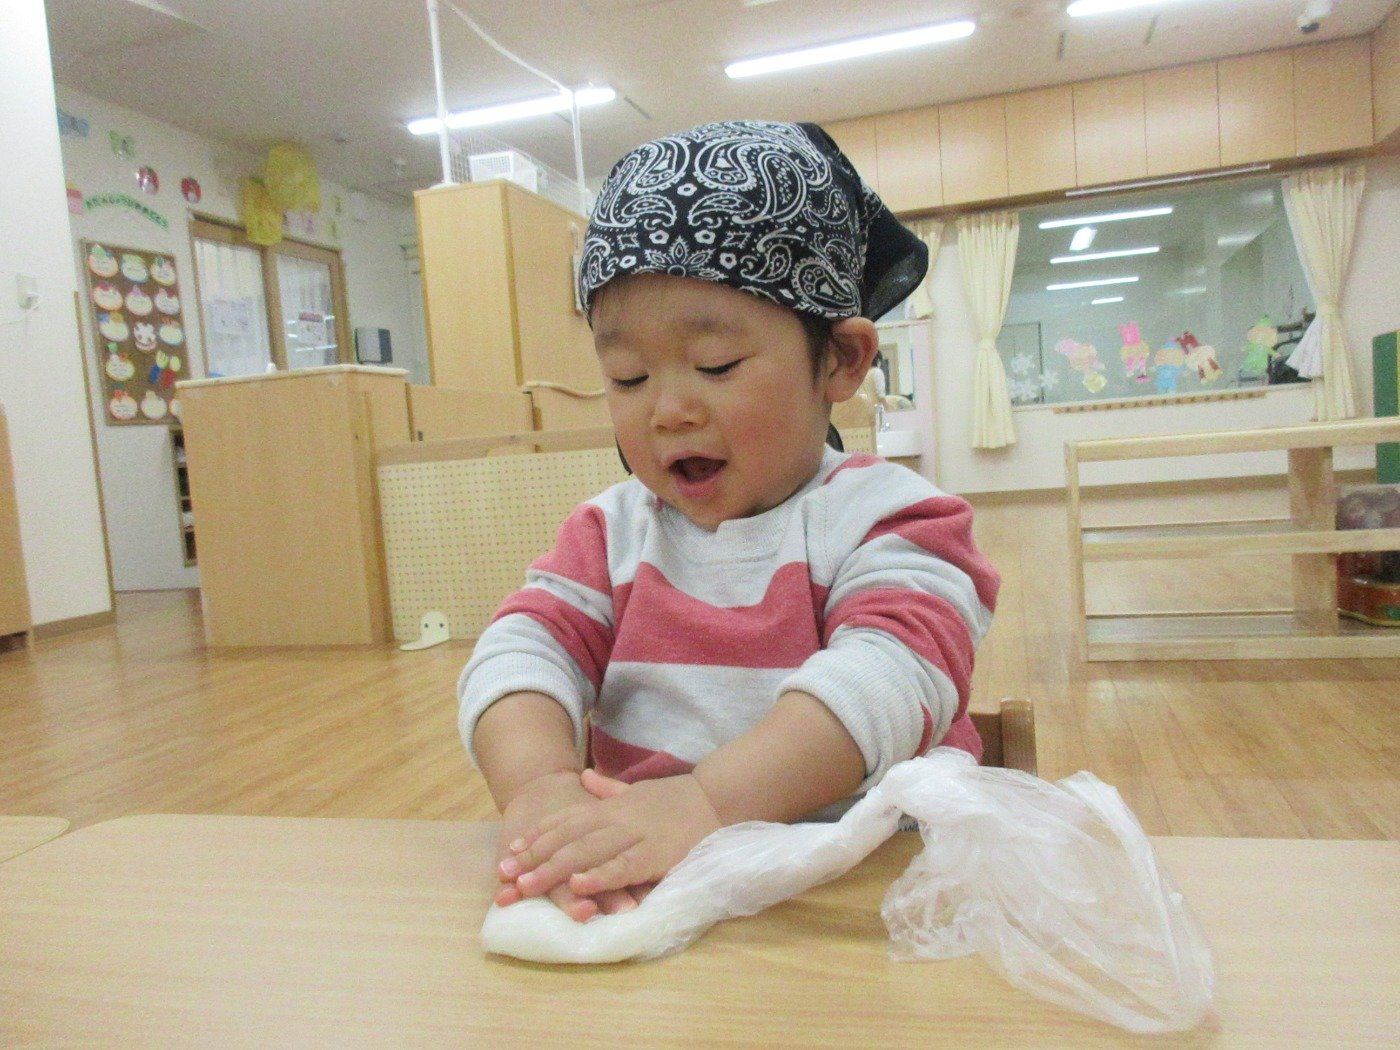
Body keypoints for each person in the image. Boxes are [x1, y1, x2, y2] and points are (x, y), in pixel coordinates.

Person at [459, 120, 999, 924]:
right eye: (628, 376)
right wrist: (540, 786)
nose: (669, 410)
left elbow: (889, 676)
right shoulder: (610, 536)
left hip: (864, 900)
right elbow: (521, 650)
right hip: (654, 895)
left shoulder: (893, 521)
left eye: (716, 366)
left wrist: (704, 803)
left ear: (842, 360)